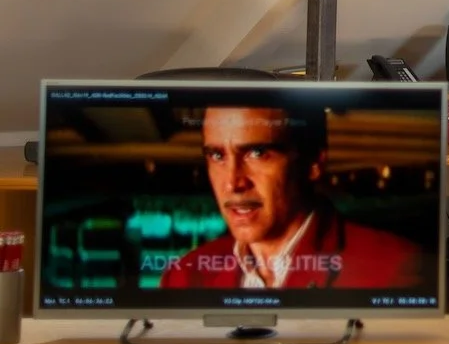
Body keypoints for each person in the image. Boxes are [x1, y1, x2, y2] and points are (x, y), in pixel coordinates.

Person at [161, 106, 424, 289]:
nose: (233, 182)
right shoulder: (183, 275)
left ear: (312, 163)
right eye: (217, 156)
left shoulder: (392, 266)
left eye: (258, 153)